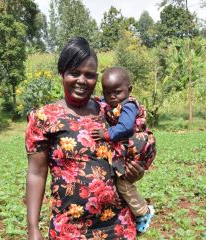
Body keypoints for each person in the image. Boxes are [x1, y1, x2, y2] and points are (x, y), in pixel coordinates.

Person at [25, 37, 145, 240]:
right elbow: (36, 173)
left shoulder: (110, 111)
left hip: (119, 226)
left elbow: (132, 149)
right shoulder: (44, 118)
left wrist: (134, 172)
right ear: (61, 73)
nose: (82, 80)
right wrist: (33, 228)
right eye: (74, 73)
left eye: (89, 75)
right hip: (69, 230)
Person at [91, 67, 155, 235]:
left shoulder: (128, 105)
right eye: (107, 92)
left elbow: (126, 127)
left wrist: (106, 134)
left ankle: (143, 212)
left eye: (117, 92)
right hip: (128, 148)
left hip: (135, 148)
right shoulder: (115, 103)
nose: (112, 96)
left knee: (123, 184)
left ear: (129, 90)